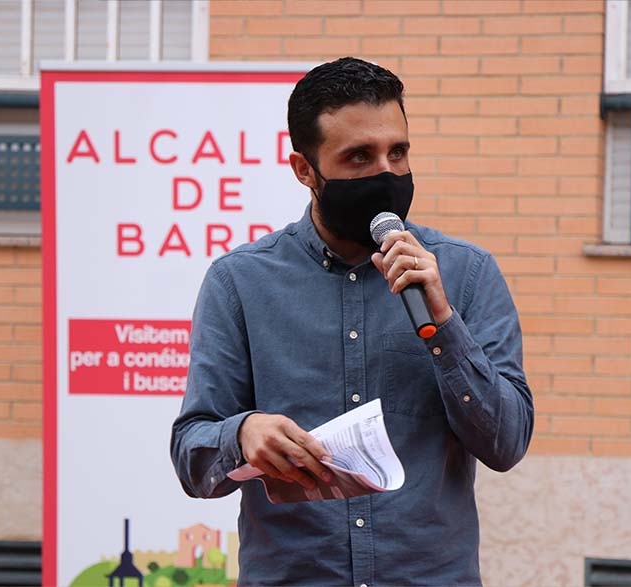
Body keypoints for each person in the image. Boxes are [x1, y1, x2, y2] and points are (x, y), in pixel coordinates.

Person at [171, 57, 534, 586]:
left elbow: (507, 443)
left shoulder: (467, 273)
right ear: (304, 170)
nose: (386, 173)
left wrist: (443, 325)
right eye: (359, 157)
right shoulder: (239, 283)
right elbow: (192, 459)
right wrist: (243, 433)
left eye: (398, 152)